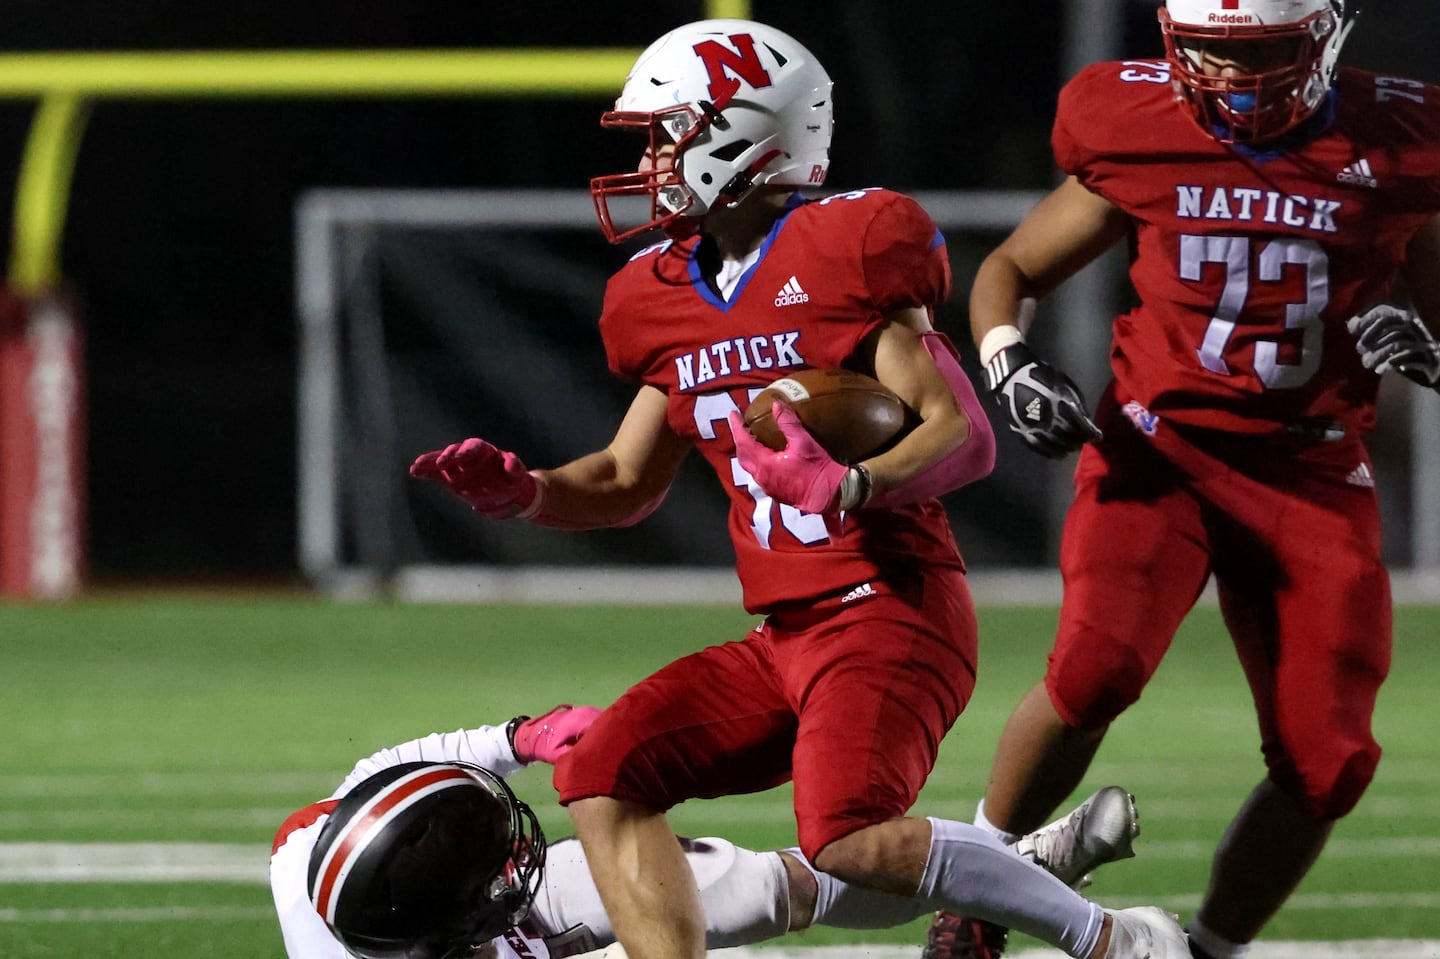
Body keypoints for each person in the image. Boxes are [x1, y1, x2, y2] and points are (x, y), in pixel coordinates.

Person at [410, 17, 1189, 959]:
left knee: (849, 837)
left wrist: (853, 485)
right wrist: (526, 491)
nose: (654, 159)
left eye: (671, 133)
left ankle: (1115, 940)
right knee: (604, 770)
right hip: (785, 633)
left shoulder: (846, 246)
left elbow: (965, 435)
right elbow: (621, 479)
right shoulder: (655, 296)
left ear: (745, 133)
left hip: (890, 607)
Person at [924, 1, 1440, 958]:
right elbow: (1012, 268)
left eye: (1262, 53)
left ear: (1327, 36)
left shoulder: (1400, 143)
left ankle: (1207, 950)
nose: (1229, 75)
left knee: (1331, 762)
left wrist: (1434, 350)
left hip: (1312, 467)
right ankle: (976, 887)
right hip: (1160, 451)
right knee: (1095, 667)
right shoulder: (1142, 126)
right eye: (1207, 49)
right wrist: (1009, 360)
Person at [271, 704, 1142, 959]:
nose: (519, 859)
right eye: (494, 864)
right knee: (706, 932)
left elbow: (379, 770)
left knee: (769, 884)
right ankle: (1000, 884)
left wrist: (514, 739)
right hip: (489, 945)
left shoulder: (312, 844)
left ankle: (1002, 874)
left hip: (464, 929)